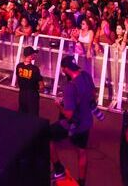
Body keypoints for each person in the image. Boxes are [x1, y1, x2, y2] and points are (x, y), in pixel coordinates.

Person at [51, 56, 95, 186]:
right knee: (82, 151)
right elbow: (92, 94)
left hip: (74, 123)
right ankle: (82, 183)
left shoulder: (70, 87)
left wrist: (59, 105)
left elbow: (69, 115)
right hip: (86, 121)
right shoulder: (86, 75)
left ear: (65, 69)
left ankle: (58, 169)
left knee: (45, 135)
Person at [16, 46, 43, 116]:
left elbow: (18, 80)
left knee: (22, 113)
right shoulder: (35, 69)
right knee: (33, 114)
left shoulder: (19, 66)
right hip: (32, 94)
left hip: (22, 93)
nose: (35, 55)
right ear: (30, 56)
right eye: (33, 54)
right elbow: (41, 85)